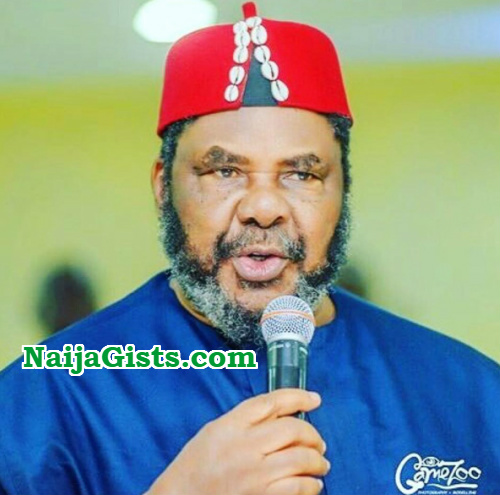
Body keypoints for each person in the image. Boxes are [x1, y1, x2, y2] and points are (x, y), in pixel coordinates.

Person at [1, 3, 499, 494]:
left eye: (301, 174)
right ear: (163, 187)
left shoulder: (468, 395)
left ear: (343, 192)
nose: (263, 207)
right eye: (224, 171)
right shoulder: (43, 402)